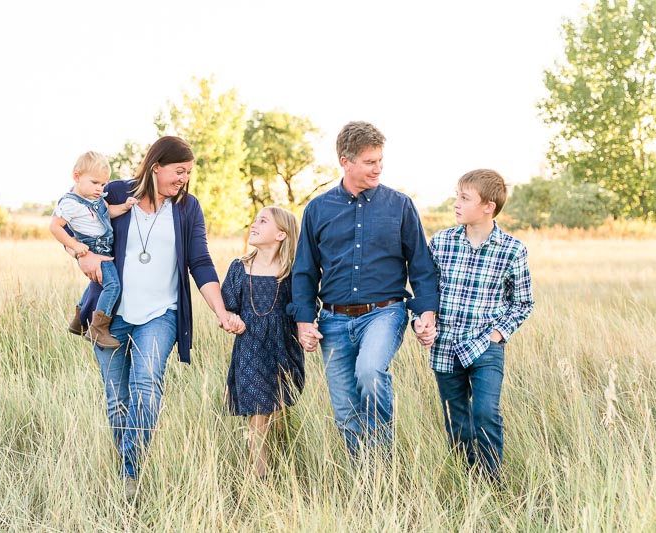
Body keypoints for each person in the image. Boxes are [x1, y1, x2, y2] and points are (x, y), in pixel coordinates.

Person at [70, 136, 246, 502]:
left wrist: (221, 311)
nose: (184, 179)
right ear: (156, 167)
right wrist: (81, 256)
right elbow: (72, 218)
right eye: (179, 171)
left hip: (161, 314)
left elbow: (199, 262)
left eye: (188, 173)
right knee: (117, 400)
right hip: (110, 315)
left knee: (147, 387)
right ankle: (125, 467)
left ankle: (130, 474)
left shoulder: (187, 208)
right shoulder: (116, 192)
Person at [288, 121, 438, 458]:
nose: (378, 168)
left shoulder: (399, 205)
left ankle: (383, 465)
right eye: (370, 162)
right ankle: (365, 483)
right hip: (333, 321)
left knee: (370, 372)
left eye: (380, 160)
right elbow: (305, 272)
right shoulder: (317, 209)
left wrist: (426, 312)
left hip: (385, 313)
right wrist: (303, 320)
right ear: (346, 161)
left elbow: (421, 265)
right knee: (344, 411)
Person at [428, 169, 534, 482]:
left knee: (485, 412)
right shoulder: (442, 242)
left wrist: (497, 334)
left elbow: (523, 303)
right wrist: (423, 319)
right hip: (445, 345)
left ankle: (491, 481)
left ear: (488, 206)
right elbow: (425, 290)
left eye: (465, 198)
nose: (456, 203)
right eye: (457, 195)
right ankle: (467, 478)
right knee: (456, 419)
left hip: (485, 346)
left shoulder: (512, 250)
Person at [222, 206, 305, 478]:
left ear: (281, 234)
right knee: (258, 411)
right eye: (255, 220)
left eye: (263, 221)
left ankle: (284, 462)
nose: (254, 225)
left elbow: (304, 307)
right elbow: (228, 308)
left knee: (277, 410)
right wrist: (231, 320)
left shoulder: (292, 272)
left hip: (283, 348)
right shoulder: (240, 268)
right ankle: (258, 477)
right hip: (250, 348)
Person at [49, 151, 137, 348]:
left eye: (103, 184)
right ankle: (98, 328)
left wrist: (125, 206)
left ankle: (79, 320)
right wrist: (75, 245)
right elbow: (55, 227)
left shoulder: (96, 199)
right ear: (77, 176)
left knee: (97, 284)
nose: (99, 188)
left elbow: (109, 213)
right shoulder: (70, 203)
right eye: (95, 183)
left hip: (105, 248)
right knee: (112, 286)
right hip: (95, 250)